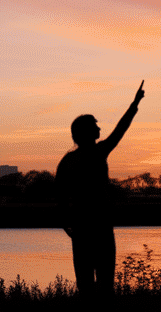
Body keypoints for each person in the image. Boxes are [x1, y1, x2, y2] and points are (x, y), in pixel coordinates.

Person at [56, 81, 145, 299]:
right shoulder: (97, 152)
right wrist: (134, 105)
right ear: (86, 131)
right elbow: (120, 129)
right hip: (99, 225)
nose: (99, 128)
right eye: (95, 125)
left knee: (85, 283)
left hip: (81, 225)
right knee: (104, 283)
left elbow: (60, 196)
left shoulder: (67, 160)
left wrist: (66, 223)